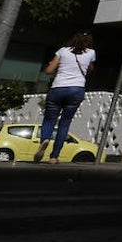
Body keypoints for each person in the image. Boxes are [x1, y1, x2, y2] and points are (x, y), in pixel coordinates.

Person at [36, 30, 96, 163]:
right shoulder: (91, 53)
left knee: (49, 120)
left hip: (58, 88)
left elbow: (49, 71)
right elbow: (91, 69)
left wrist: (57, 66)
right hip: (77, 90)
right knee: (64, 124)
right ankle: (54, 157)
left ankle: (45, 139)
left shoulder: (62, 51)